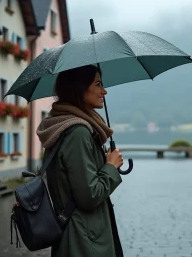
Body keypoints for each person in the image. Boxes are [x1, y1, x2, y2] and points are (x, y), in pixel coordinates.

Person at [36, 64, 124, 257]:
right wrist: (110, 166)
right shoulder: (78, 133)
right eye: (98, 84)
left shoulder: (62, 125)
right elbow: (89, 196)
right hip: (85, 241)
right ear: (79, 88)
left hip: (77, 234)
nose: (104, 91)